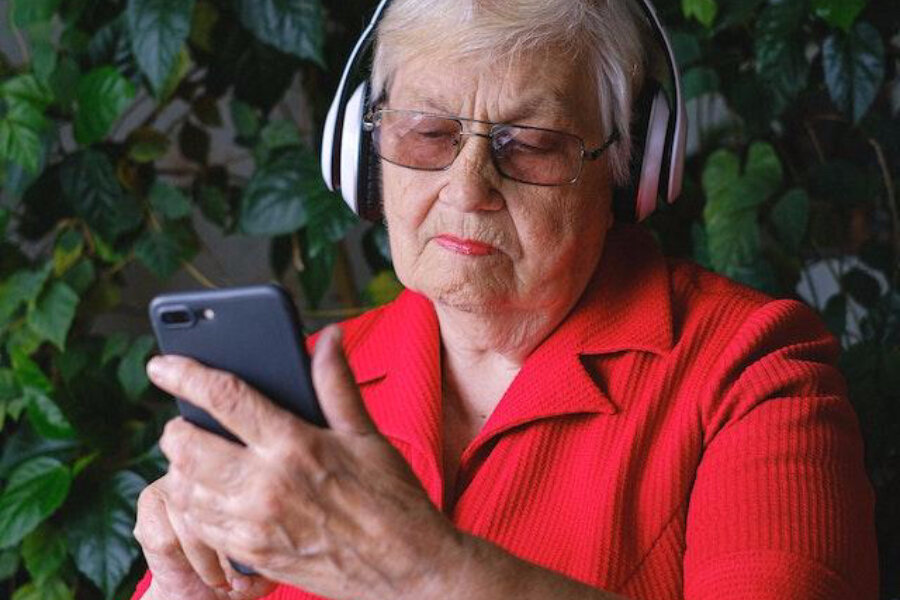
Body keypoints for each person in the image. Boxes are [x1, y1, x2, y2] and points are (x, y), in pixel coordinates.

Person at [130, 0, 879, 599]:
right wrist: (181, 590)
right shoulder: (311, 384)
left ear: (627, 169)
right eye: (427, 133)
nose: (466, 189)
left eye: (532, 144)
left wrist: (418, 570)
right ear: (362, 149)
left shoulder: (752, 372)